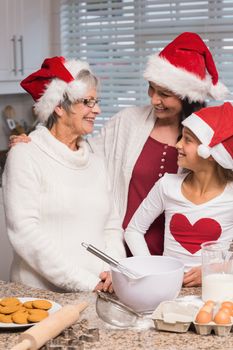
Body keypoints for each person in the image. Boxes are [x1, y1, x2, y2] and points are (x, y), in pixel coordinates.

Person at [9, 33, 230, 265]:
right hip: (123, 250)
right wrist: (38, 141)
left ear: (188, 97)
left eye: (164, 94)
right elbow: (81, 154)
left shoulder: (207, 138)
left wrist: (221, 264)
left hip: (181, 259)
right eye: (151, 89)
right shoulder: (129, 121)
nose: (154, 99)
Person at [3, 56, 126, 293]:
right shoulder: (26, 155)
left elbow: (111, 225)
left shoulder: (95, 160)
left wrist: (113, 270)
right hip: (41, 296)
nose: (97, 110)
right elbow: (25, 234)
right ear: (59, 106)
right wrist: (86, 282)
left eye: (96, 101)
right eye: (87, 102)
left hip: (98, 291)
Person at [124, 102, 233, 287]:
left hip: (216, 289)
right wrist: (153, 271)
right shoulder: (167, 185)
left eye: (187, 140)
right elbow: (133, 230)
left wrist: (212, 270)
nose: (177, 144)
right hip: (169, 289)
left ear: (211, 153)